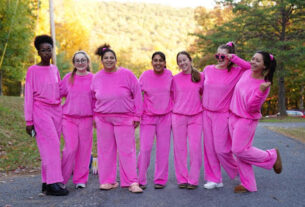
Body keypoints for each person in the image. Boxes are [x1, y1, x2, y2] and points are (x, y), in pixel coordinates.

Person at [91, 44, 143, 193]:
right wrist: (94, 115)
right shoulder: (97, 77)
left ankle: (131, 182)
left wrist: (137, 115)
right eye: (106, 58)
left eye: (111, 58)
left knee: (127, 150)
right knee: (105, 150)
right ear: (102, 60)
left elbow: (138, 94)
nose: (109, 60)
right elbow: (92, 98)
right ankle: (108, 181)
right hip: (103, 118)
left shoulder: (127, 74)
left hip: (124, 118)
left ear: (116, 59)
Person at [229, 51, 282, 193]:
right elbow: (242, 62)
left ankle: (271, 156)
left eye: (258, 61)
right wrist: (231, 56)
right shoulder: (247, 71)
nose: (253, 62)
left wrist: (259, 91)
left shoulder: (264, 85)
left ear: (264, 66)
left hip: (246, 120)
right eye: (252, 58)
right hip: (233, 116)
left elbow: (251, 107)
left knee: (238, 150)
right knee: (241, 153)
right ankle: (249, 184)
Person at [202, 42, 251, 189]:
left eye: (223, 55)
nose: (219, 58)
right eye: (217, 55)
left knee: (222, 149)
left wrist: (234, 58)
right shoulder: (208, 69)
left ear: (229, 57)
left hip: (222, 115)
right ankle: (214, 179)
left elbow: (249, 67)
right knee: (209, 149)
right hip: (206, 113)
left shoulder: (236, 72)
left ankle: (240, 172)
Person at [24, 35, 68, 196]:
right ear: (38, 52)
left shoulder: (54, 69)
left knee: (49, 148)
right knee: (52, 145)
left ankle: (46, 181)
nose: (46, 53)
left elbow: (60, 89)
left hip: (56, 110)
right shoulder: (32, 70)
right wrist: (29, 120)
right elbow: (28, 95)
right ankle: (54, 183)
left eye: (49, 49)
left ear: (52, 51)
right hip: (40, 110)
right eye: (43, 50)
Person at [137, 52, 173, 189]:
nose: (158, 63)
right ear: (151, 62)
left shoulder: (169, 75)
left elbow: (175, 93)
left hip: (165, 117)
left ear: (164, 63)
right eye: (155, 60)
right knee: (145, 149)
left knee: (163, 150)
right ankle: (141, 179)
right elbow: (136, 93)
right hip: (148, 117)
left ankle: (160, 180)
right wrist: (136, 113)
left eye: (161, 61)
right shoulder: (145, 75)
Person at [60, 51, 94, 189]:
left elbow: (98, 99)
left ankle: (80, 178)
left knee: (84, 150)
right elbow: (58, 94)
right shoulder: (68, 77)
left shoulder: (94, 78)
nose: (80, 63)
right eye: (77, 60)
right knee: (70, 148)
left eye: (83, 60)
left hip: (87, 119)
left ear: (87, 62)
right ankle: (61, 178)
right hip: (68, 119)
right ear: (74, 63)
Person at [171, 51, 203, 189]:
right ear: (178, 64)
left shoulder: (201, 77)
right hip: (178, 117)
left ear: (190, 60)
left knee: (195, 149)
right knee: (180, 149)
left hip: (196, 117)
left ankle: (193, 180)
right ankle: (182, 179)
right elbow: (171, 96)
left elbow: (205, 94)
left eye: (185, 60)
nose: (183, 63)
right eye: (180, 61)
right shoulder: (174, 79)